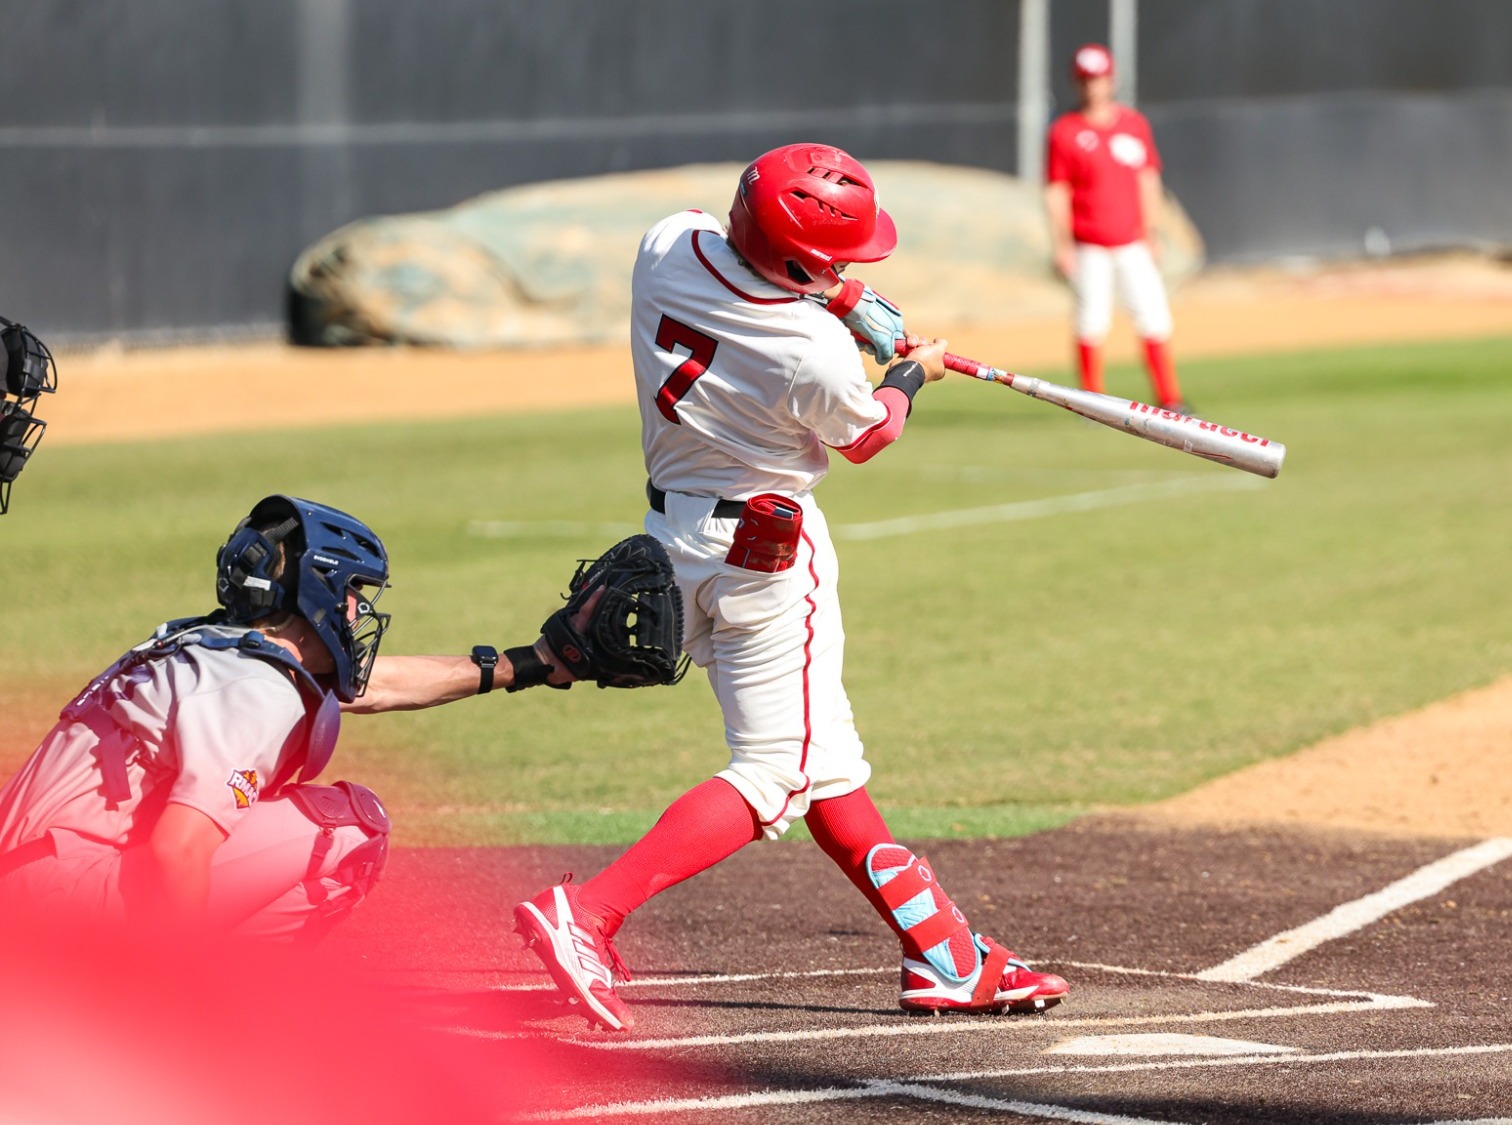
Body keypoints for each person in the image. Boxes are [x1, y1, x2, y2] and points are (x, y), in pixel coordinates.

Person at [511, 143, 1071, 1031]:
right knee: (777, 770)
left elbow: (773, 273)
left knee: (825, 759)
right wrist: (910, 374)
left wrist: (849, 299)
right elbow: (866, 435)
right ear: (802, 258)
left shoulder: (669, 244)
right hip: (767, 556)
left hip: (676, 535)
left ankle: (945, 956)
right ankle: (588, 912)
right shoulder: (811, 351)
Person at [0, 494, 576, 939]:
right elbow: (178, 849)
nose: (360, 610)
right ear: (318, 594)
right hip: (56, 904)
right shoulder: (257, 690)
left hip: (30, 880)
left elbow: (369, 687)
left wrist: (524, 665)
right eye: (354, 592)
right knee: (351, 827)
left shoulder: (208, 644)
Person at [1044, 43, 1188, 415]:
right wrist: (1062, 244)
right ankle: (1093, 401)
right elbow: (1057, 191)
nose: (1093, 87)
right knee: (1091, 320)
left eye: (1099, 78)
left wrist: (1151, 231)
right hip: (1089, 242)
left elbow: (1148, 180)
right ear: (1077, 83)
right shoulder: (1065, 132)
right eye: (1086, 80)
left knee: (1153, 315)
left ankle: (1169, 396)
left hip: (1133, 242)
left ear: (1112, 79)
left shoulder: (1133, 125)